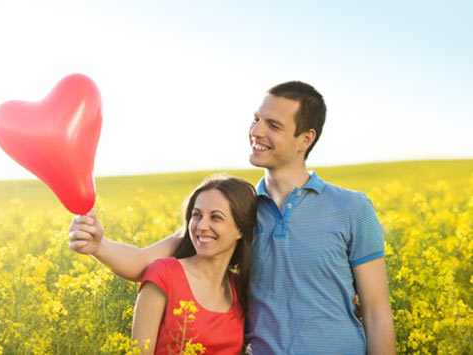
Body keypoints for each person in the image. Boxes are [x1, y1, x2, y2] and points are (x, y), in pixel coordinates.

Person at [69, 81, 396, 354]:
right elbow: (144, 262)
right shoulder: (241, 211)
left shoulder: (353, 208)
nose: (256, 130)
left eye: (273, 125)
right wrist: (99, 245)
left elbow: (377, 313)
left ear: (305, 139)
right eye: (256, 119)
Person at [71, 175, 257, 354]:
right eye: (196, 215)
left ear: (241, 229)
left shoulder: (239, 287)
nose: (201, 226)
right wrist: (99, 245)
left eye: (216, 217)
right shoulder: (165, 274)